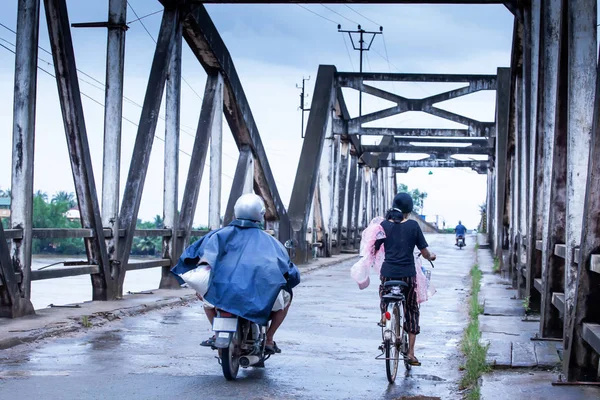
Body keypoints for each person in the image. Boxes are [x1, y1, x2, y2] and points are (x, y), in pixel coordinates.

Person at [171, 193, 300, 355]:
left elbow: (193, 257)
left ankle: (217, 332)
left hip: (222, 293)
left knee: (207, 302)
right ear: (259, 214)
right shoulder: (272, 243)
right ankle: (269, 338)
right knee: (287, 299)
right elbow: (290, 271)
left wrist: (199, 287)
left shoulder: (217, 235)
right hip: (256, 295)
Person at [374, 192, 436, 367]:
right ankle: (410, 353)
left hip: (388, 273)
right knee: (411, 308)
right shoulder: (413, 226)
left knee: (384, 293)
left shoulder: (383, 225)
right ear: (409, 210)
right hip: (407, 275)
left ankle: (384, 316)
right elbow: (425, 253)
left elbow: (374, 247)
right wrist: (431, 257)